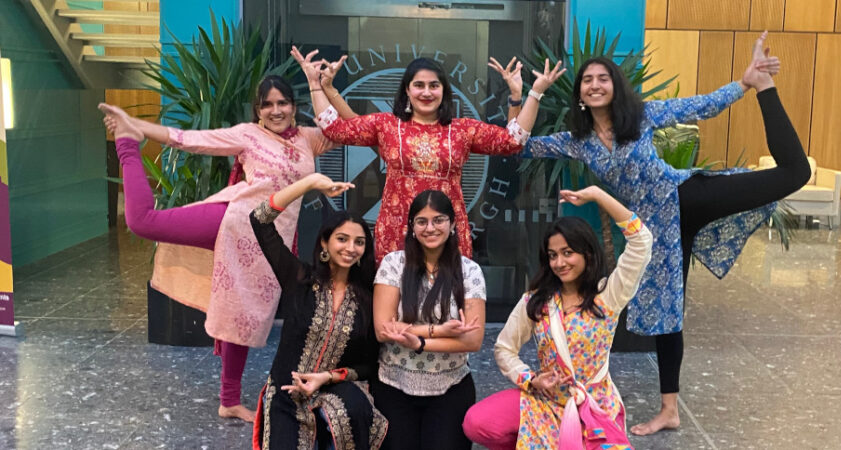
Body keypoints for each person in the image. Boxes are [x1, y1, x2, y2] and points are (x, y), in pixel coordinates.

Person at [520, 32, 811, 435]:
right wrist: (527, 96)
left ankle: (767, 88)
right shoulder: (578, 142)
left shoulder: (641, 115)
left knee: (796, 173)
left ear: (615, 86)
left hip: (686, 197)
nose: (595, 84)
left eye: (603, 78)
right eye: (588, 80)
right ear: (580, 95)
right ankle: (669, 411)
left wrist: (746, 82)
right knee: (667, 316)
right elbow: (520, 145)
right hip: (654, 232)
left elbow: (700, 105)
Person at [99, 70, 357, 422]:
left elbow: (350, 129)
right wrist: (136, 128)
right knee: (142, 222)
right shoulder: (247, 135)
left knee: (243, 313)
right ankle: (126, 145)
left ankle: (230, 401)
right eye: (267, 105)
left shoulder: (309, 139)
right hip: (233, 221)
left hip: (268, 242)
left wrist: (318, 85)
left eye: (282, 103)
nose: (276, 111)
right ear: (258, 110)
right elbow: (188, 138)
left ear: (294, 107)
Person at [293, 48, 565, 260]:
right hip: (397, 231)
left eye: (434, 85)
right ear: (407, 91)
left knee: (446, 307)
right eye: (419, 85)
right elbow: (334, 129)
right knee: (396, 311)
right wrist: (316, 85)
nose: (426, 92)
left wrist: (532, 94)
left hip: (446, 232)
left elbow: (512, 141)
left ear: (444, 91)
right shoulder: (387, 125)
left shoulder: (461, 129)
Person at [462, 186, 652, 449]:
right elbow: (504, 348)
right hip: (544, 401)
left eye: (567, 252)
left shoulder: (608, 295)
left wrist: (598, 195)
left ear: (587, 253)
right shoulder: (538, 300)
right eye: (553, 255)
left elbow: (641, 241)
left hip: (593, 406)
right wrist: (530, 379)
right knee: (477, 422)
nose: (560, 262)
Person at [249, 172, 386, 449]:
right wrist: (309, 183)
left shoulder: (369, 297)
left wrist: (328, 377)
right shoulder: (300, 279)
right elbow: (259, 220)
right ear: (325, 242)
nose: (351, 248)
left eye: (359, 242)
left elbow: (370, 365)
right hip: (288, 394)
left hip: (336, 391)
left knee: (351, 415)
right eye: (342, 239)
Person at [370, 190, 486, 450]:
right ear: (412, 227)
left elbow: (472, 340)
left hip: (450, 387)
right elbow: (383, 329)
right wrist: (441, 330)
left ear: (453, 224)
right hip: (394, 384)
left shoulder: (470, 271)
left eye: (439, 220)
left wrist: (418, 343)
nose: (430, 228)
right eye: (422, 221)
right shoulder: (393, 264)